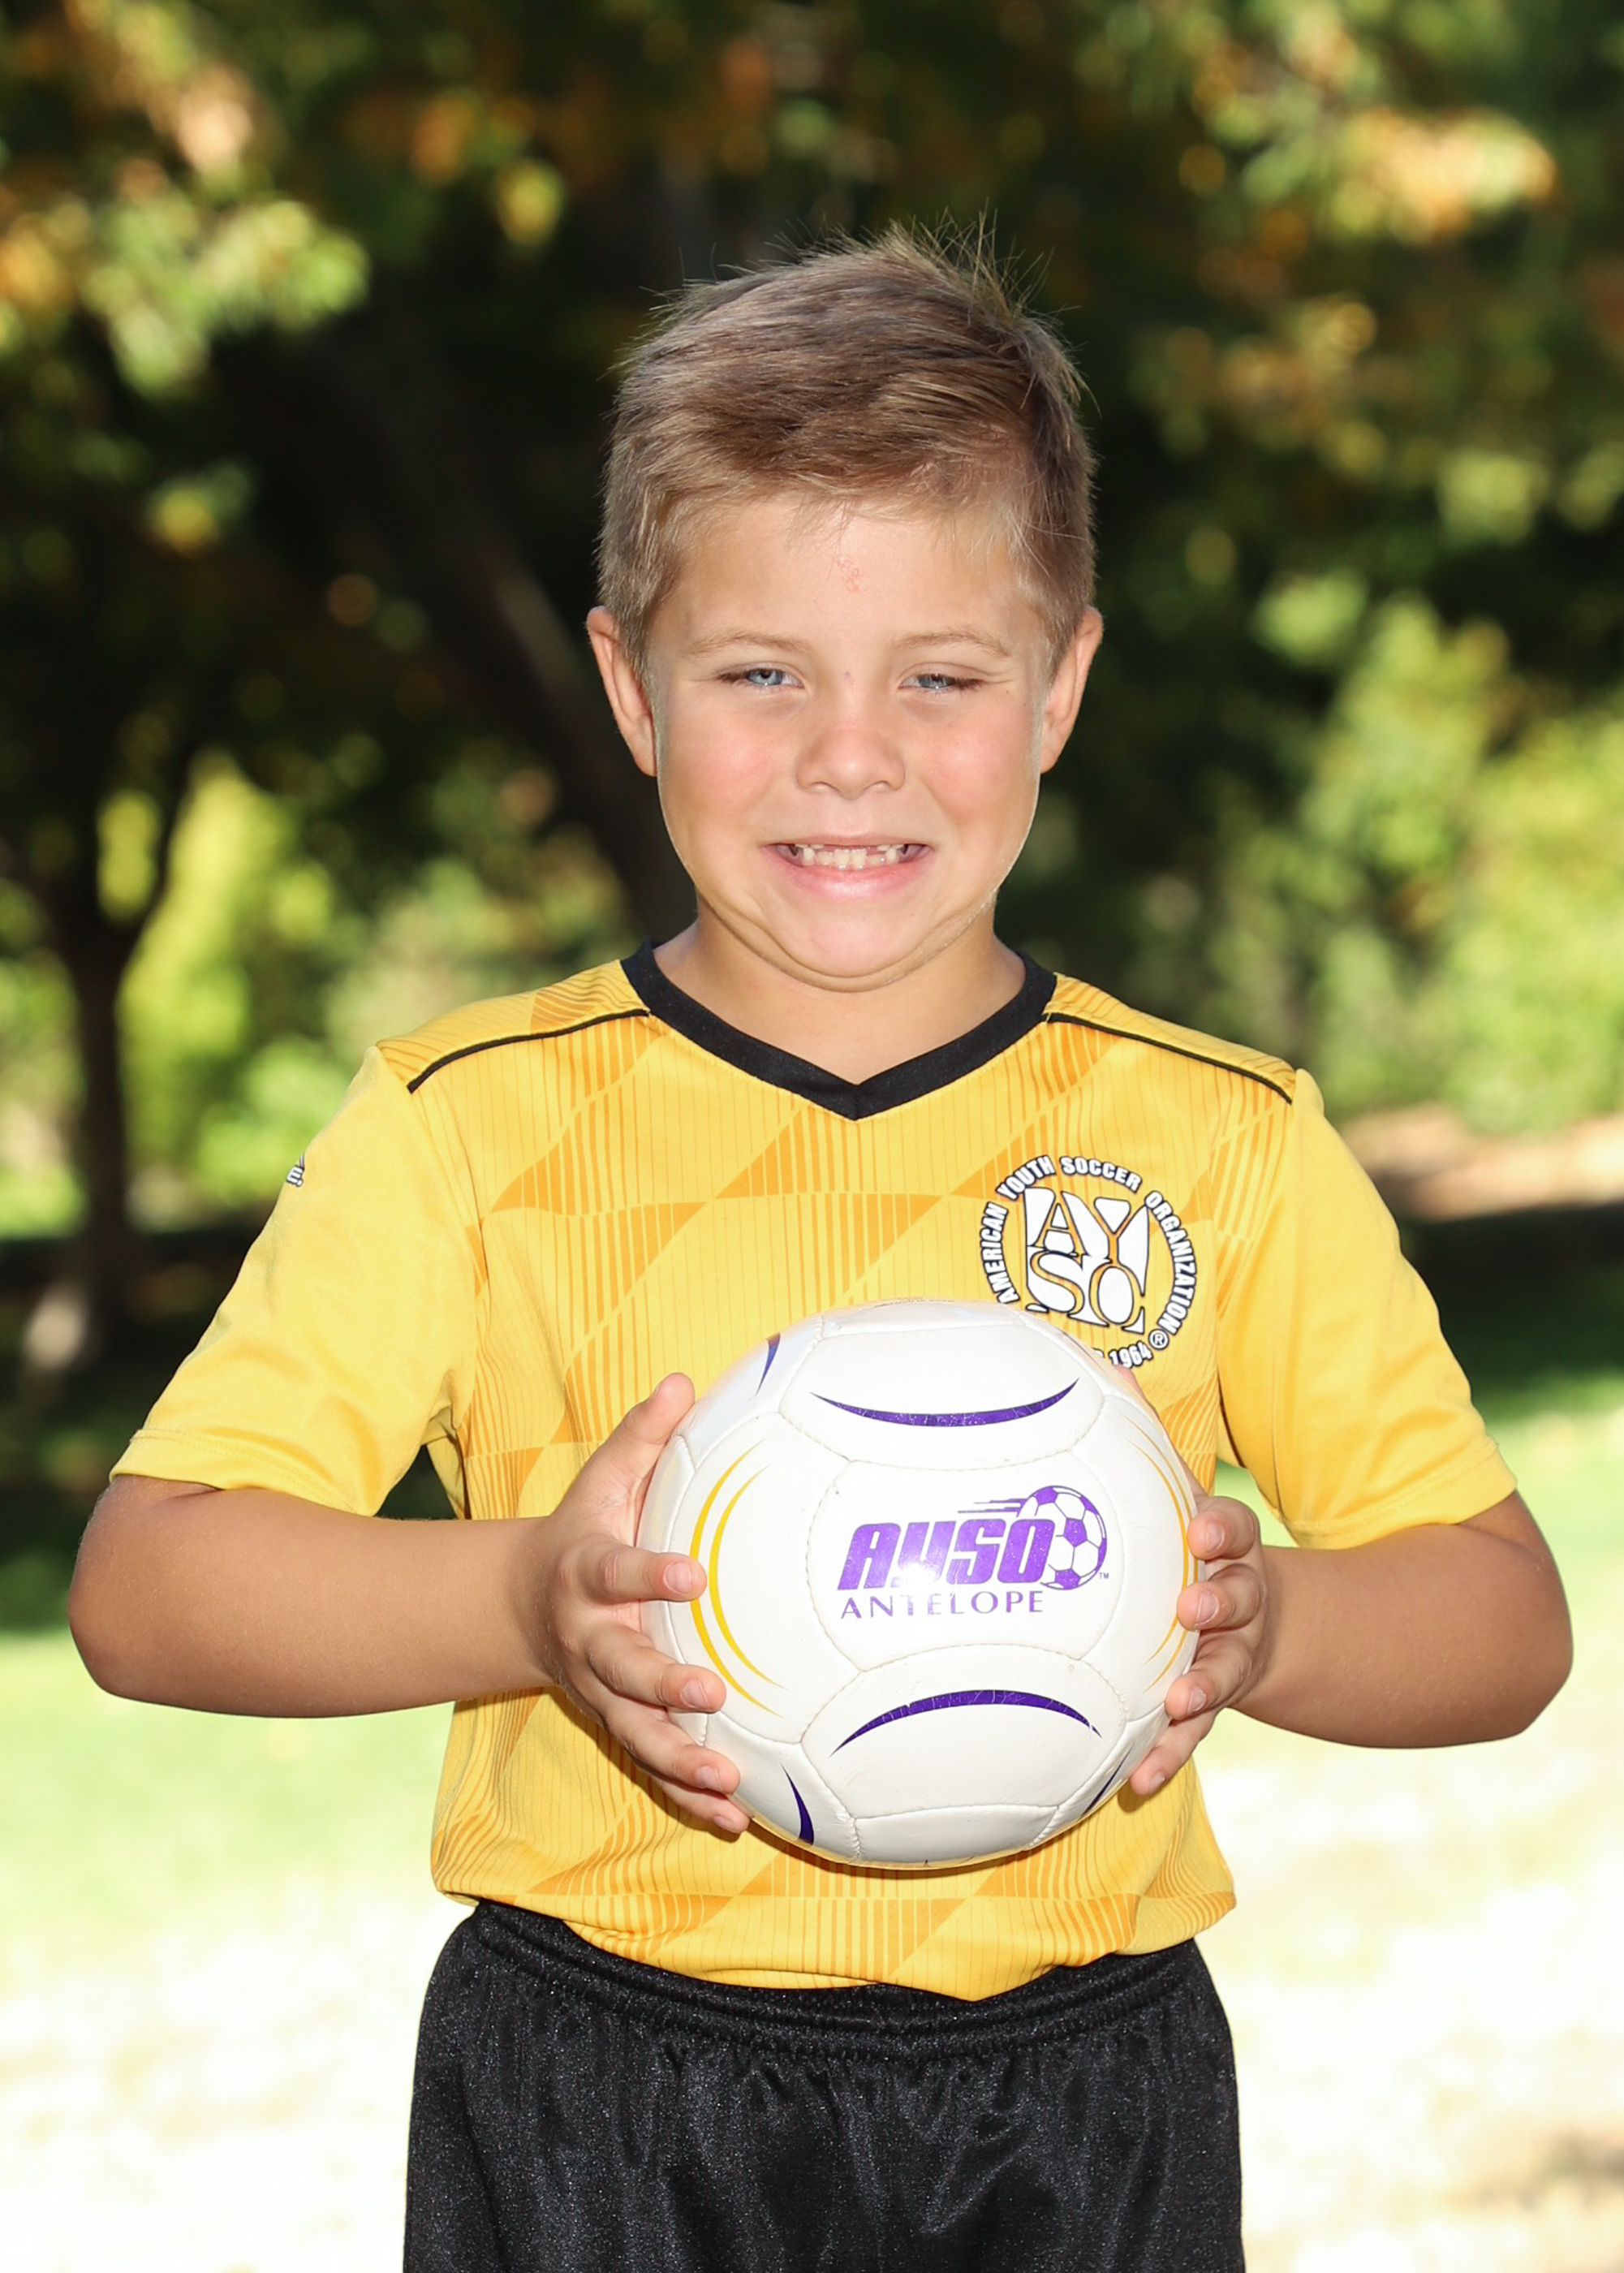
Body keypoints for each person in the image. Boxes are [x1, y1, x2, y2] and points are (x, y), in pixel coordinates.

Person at [70, 230, 1572, 2273]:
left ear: (1057, 687)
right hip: (605, 2081)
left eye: (939, 676)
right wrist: (522, 1594)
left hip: (1083, 2089)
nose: (847, 752)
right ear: (630, 687)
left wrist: (1271, 1625)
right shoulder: (466, 1125)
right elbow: (148, 1582)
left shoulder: (1221, 1140)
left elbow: (1500, 1619)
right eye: (759, 672)